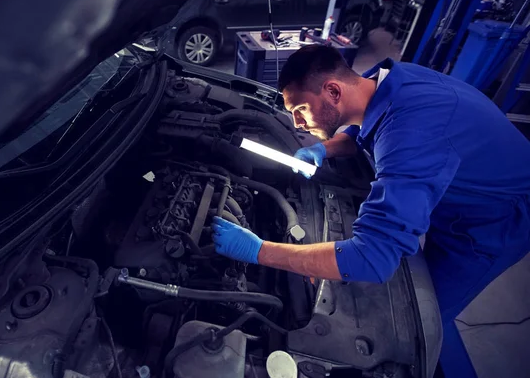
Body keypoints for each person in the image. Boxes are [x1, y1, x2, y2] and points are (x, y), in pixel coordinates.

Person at [211, 44, 530, 378]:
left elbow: (373, 258)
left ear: (332, 90)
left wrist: (259, 250)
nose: (298, 124)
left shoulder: (411, 135)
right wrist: (325, 148)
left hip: (493, 222)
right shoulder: (388, 79)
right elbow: (366, 122)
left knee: (420, 322)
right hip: (462, 179)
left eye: (301, 109)